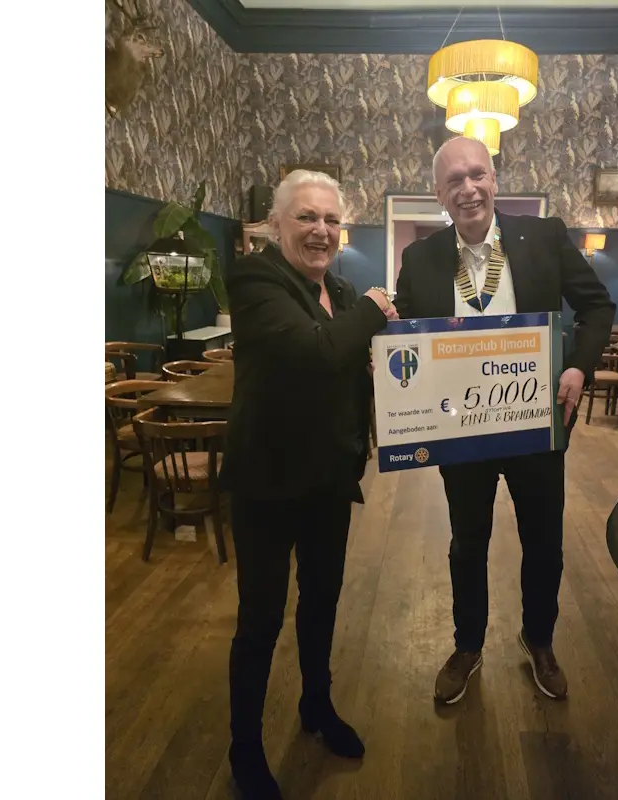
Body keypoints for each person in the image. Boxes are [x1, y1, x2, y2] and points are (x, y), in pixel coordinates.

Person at [395, 136, 616, 705]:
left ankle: (539, 639)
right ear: (438, 194)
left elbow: (597, 306)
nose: (468, 189)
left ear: (494, 180)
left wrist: (579, 367)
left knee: (544, 542)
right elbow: (403, 337)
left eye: (477, 175)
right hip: (460, 430)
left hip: (535, 423)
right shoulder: (419, 258)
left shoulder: (544, 236)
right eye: (454, 181)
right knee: (466, 544)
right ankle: (467, 645)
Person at [220, 169, 398, 800]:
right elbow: (315, 351)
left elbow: (347, 367)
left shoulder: (343, 291)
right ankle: (245, 750)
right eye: (306, 217)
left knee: (321, 603)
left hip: (328, 482)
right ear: (275, 225)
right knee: (261, 620)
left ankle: (316, 706)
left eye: (331, 219)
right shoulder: (254, 279)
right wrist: (374, 312)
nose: (321, 230)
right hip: (266, 484)